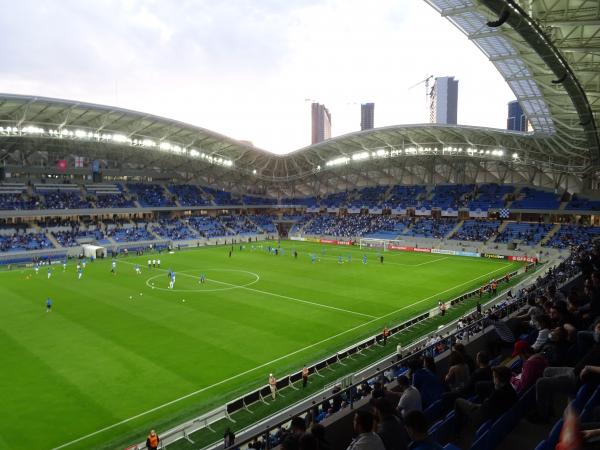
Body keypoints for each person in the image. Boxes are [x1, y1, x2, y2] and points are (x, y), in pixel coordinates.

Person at [455, 366, 518, 432]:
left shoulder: (496, 394)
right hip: (497, 416)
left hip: (481, 417)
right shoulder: (511, 390)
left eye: (494, 377)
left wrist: (476, 405)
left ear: (498, 379)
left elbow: (483, 408)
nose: (493, 379)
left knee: (458, 401)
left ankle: (457, 431)